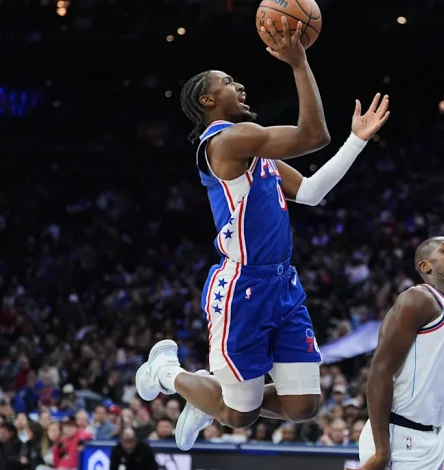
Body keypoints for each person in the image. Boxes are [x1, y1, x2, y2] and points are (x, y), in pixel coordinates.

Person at [135, 16, 391, 451]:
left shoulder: (258, 154)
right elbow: (313, 135)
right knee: (239, 414)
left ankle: (210, 394)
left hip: (281, 282)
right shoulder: (227, 142)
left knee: (303, 406)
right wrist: (298, 63)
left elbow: (309, 193)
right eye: (229, 82)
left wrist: (357, 141)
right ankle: (168, 373)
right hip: (243, 286)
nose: (241, 87)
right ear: (208, 99)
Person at [353, 236, 444, 470]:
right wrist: (382, 451)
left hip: (439, 430)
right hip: (400, 434)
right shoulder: (419, 299)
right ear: (425, 265)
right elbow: (379, 372)